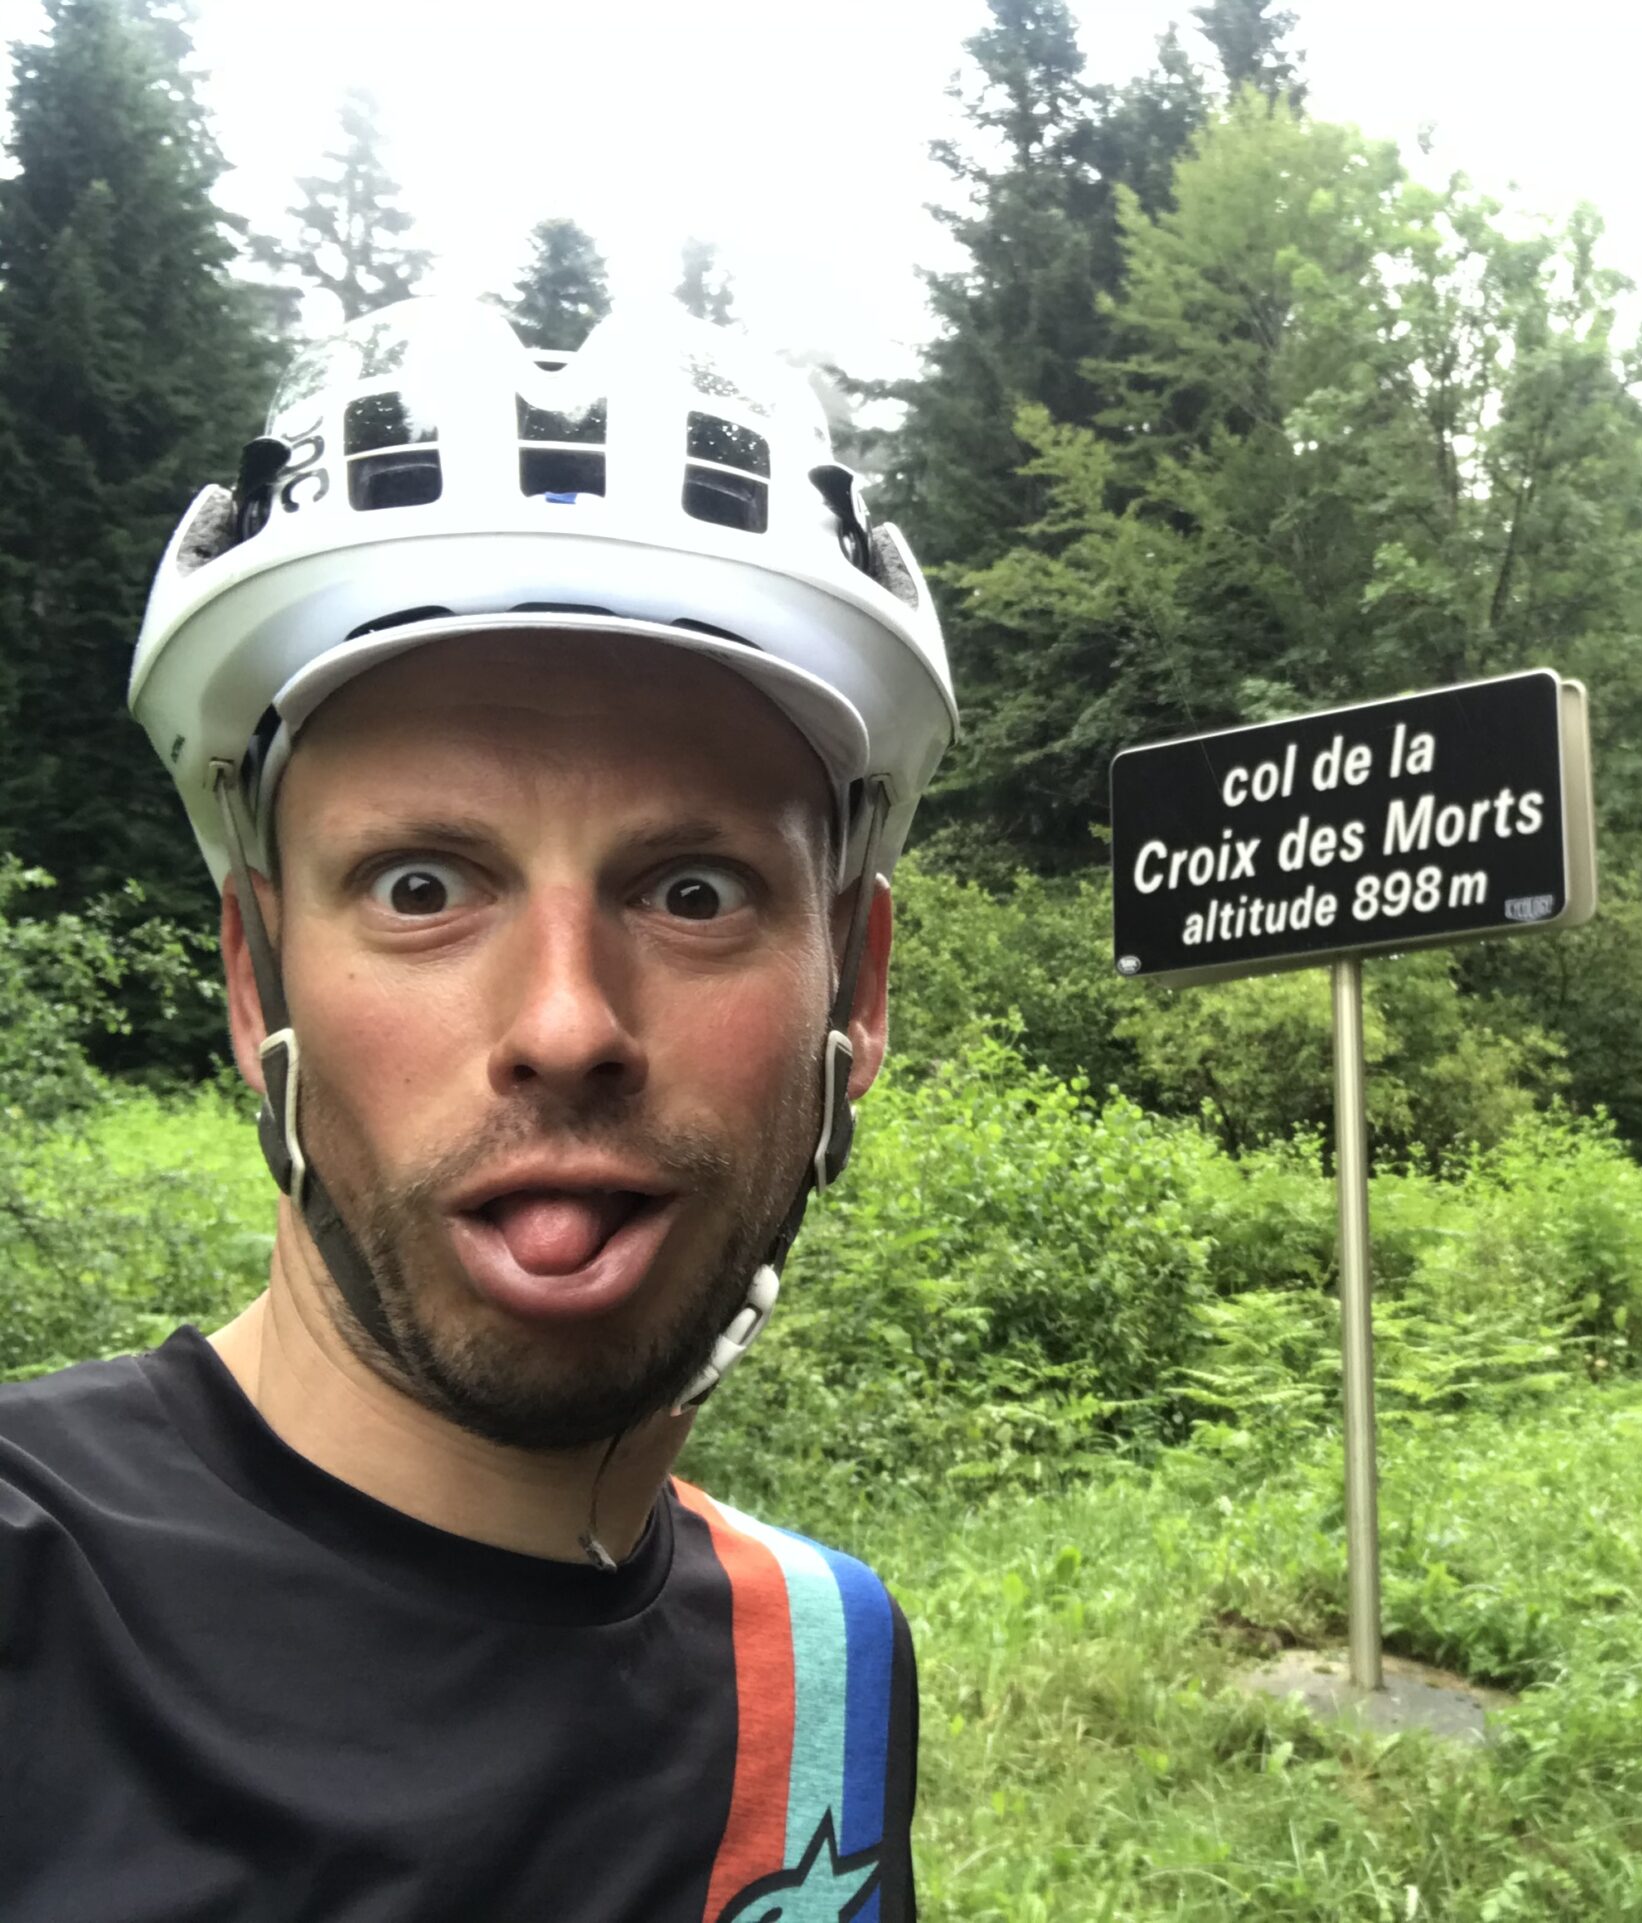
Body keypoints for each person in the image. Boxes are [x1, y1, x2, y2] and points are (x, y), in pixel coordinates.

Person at [0, 298, 953, 1920]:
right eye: (422, 886)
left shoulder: (826, 1667)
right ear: (255, 978)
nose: (566, 1024)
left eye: (697, 889)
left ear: (852, 994)